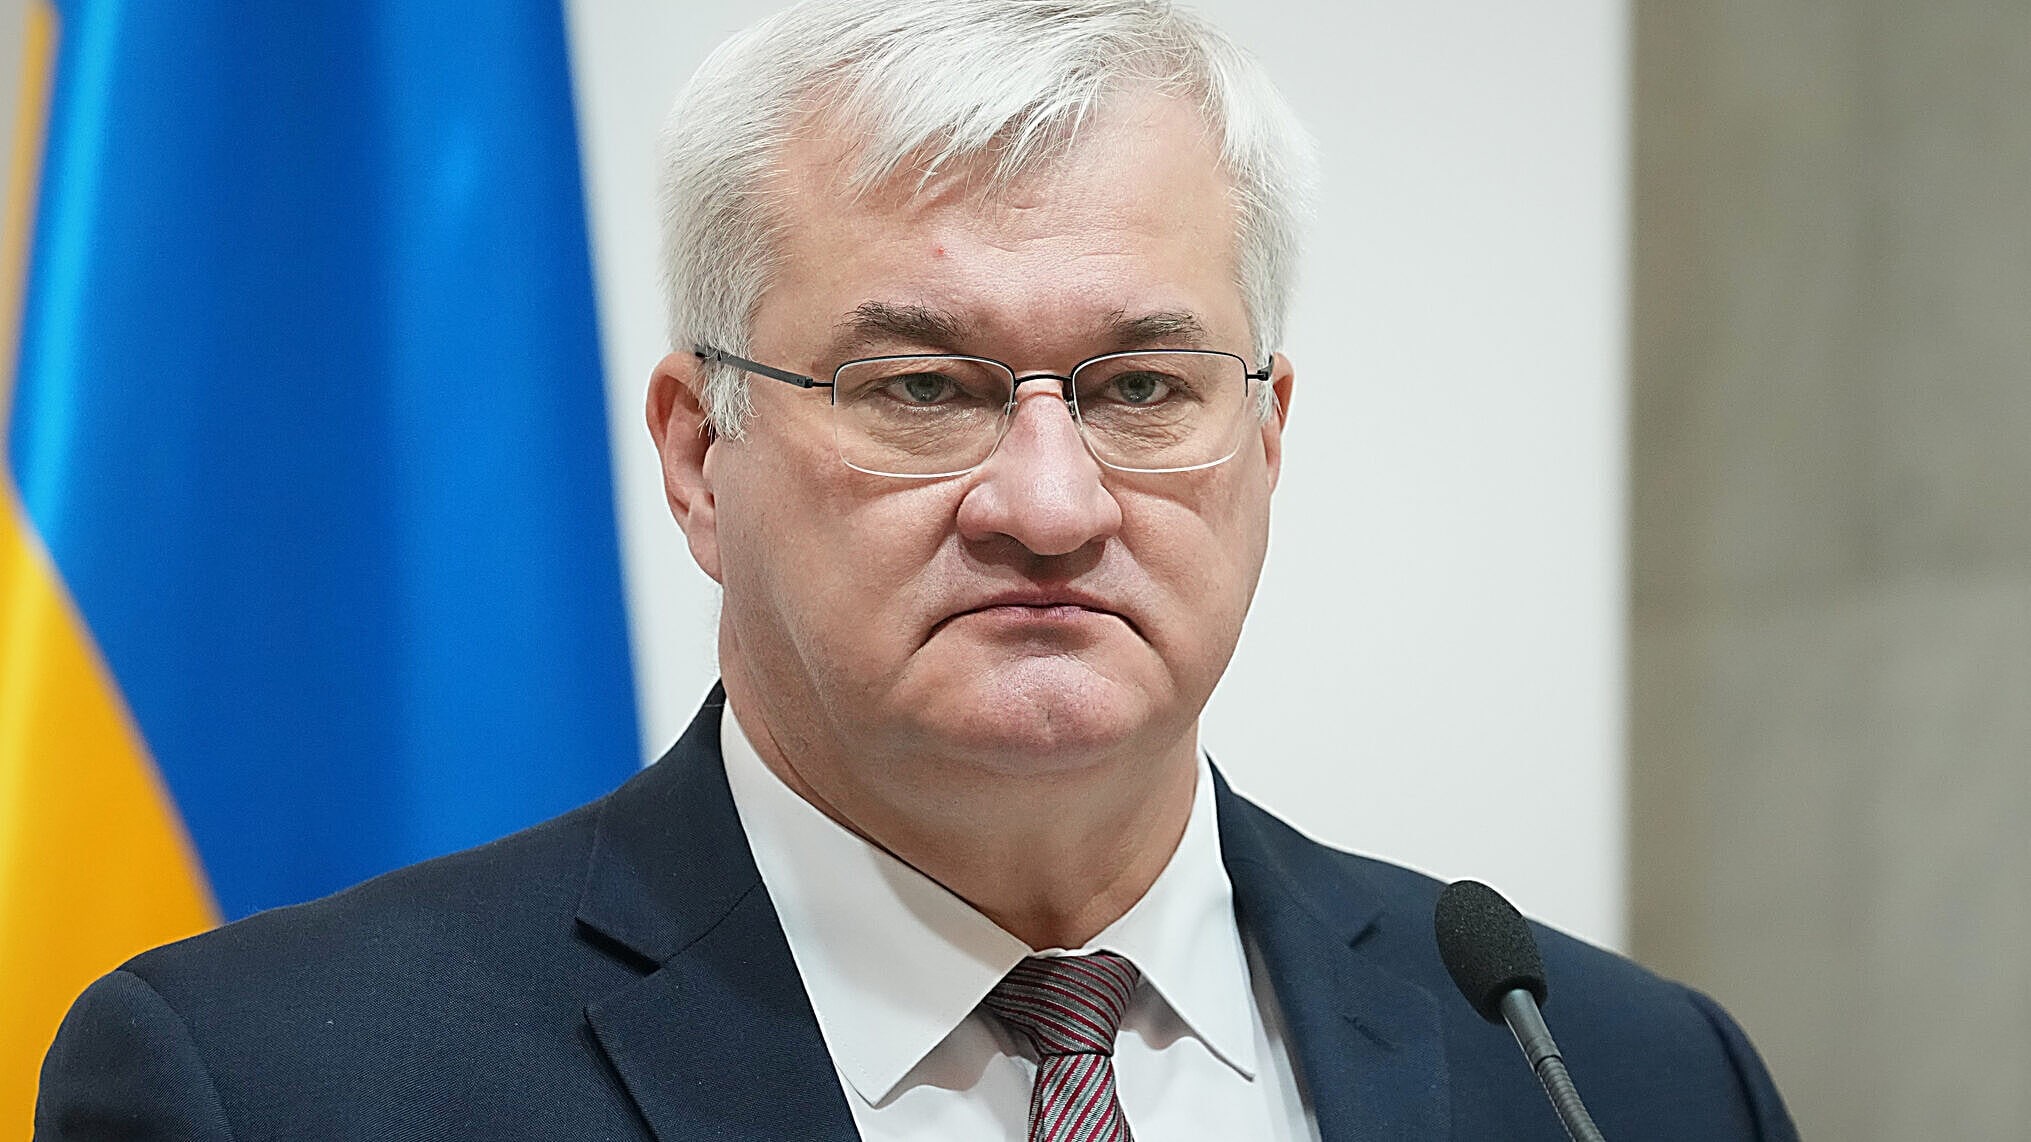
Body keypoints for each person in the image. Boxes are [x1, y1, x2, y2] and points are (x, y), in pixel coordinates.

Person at [37, 1, 1797, 1138]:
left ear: (1268, 435)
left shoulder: (1620, 1076)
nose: (1050, 501)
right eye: (923, 389)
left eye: (1141, 387)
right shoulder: (276, 1085)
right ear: (698, 451)